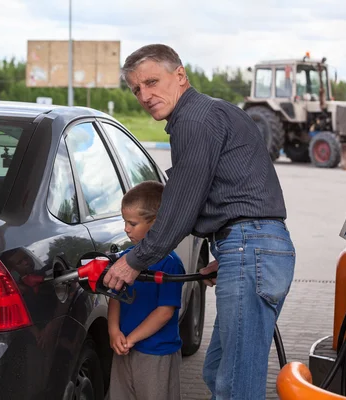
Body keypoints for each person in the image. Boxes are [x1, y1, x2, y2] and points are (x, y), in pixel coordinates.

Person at [103, 44, 296, 400]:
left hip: (251, 246)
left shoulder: (193, 120)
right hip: (249, 247)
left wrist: (135, 260)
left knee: (236, 385)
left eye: (151, 81)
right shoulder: (209, 114)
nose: (145, 95)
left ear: (180, 75)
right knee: (218, 370)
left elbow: (181, 203)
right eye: (136, 89)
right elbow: (237, 190)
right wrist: (227, 257)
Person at [107, 180, 184, 400]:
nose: (125, 229)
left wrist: (132, 339)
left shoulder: (170, 264)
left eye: (132, 223)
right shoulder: (125, 259)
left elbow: (164, 312)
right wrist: (114, 332)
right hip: (123, 346)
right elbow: (114, 297)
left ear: (156, 223)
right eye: (125, 222)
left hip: (156, 353)